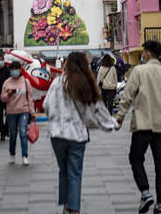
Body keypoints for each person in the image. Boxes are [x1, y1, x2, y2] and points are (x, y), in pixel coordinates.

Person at [43, 51, 115, 214]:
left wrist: (55, 118)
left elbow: (46, 105)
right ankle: (74, 209)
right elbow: (94, 110)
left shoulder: (56, 83)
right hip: (76, 135)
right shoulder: (84, 83)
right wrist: (110, 124)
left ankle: (66, 205)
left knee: (64, 170)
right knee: (74, 172)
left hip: (57, 135)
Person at [116, 40, 161, 214]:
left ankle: (145, 192)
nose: (142, 55)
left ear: (148, 53)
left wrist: (120, 116)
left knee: (136, 158)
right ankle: (160, 204)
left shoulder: (138, 71)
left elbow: (127, 96)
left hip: (143, 124)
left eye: (143, 52)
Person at [0, 60, 36, 165]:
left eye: (17, 69)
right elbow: (2, 98)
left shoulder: (25, 82)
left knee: (23, 133)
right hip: (11, 112)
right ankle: (12, 154)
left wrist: (32, 112)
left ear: (20, 70)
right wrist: (8, 94)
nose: (15, 71)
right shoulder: (7, 82)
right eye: (13, 69)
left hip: (23, 111)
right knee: (13, 134)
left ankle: (24, 156)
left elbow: (30, 97)